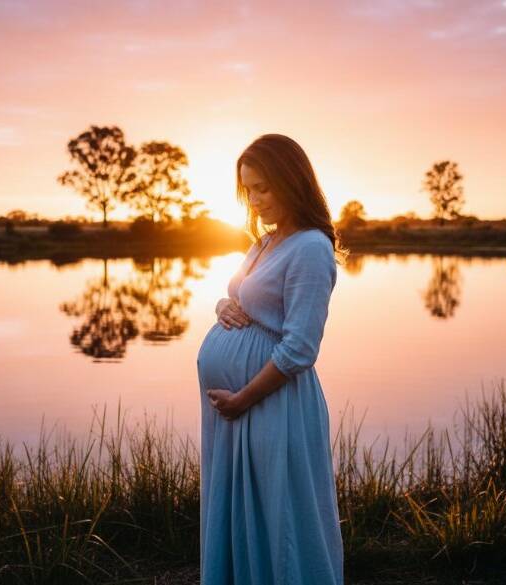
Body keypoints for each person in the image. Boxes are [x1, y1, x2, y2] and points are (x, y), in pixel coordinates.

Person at [196, 133, 346, 584]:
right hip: (239, 408)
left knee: (279, 513)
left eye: (264, 187)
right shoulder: (266, 243)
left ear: (291, 181)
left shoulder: (311, 249)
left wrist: (243, 398)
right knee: (243, 506)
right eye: (248, 190)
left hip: (271, 403)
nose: (256, 200)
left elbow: (300, 346)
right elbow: (236, 291)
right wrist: (223, 306)